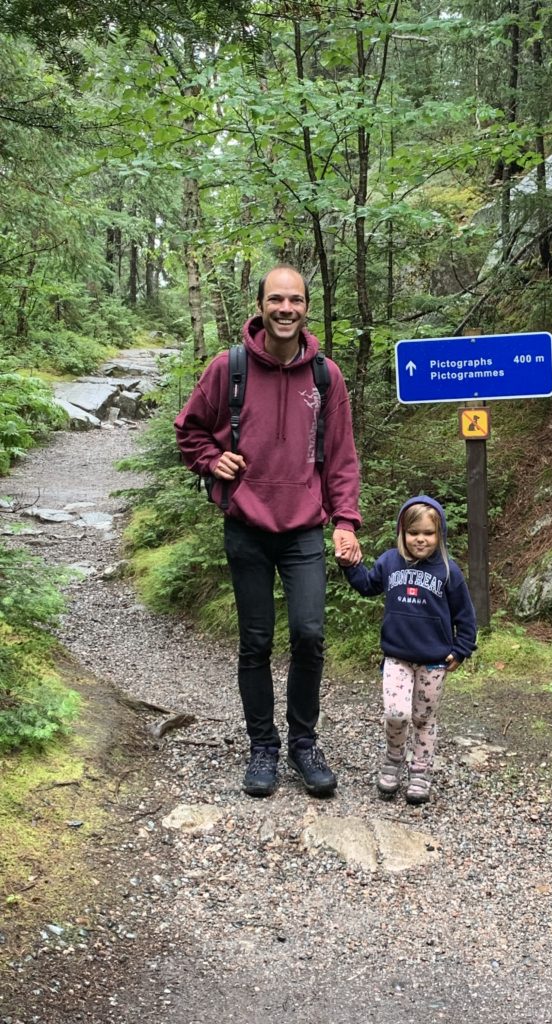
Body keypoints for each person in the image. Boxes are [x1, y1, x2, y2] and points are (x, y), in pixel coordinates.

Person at [174, 265, 362, 799]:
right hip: (247, 527)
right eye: (276, 299)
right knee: (255, 641)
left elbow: (341, 457)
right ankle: (263, 746)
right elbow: (189, 430)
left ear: (307, 308)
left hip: (303, 530)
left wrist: (345, 521)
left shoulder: (326, 376)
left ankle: (304, 744)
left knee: (309, 634)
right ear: (260, 306)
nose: (285, 308)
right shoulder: (228, 368)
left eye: (295, 300)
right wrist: (212, 460)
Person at [343, 496, 476, 804]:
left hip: (434, 661)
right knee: (396, 713)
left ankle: (420, 770)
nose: (420, 539)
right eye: (413, 532)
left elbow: (465, 615)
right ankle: (393, 760)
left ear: (440, 534)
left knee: (423, 718)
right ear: (401, 532)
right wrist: (349, 564)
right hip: (396, 657)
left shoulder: (448, 571)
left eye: (428, 533)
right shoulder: (390, 561)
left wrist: (462, 649)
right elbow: (367, 585)